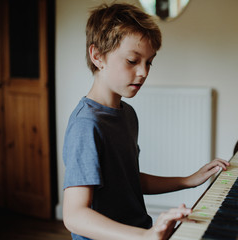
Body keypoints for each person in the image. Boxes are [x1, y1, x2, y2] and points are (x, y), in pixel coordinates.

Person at [62, 3, 229, 240]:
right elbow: (74, 216)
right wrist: (144, 237)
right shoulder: (86, 125)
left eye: (149, 62)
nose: (143, 72)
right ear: (97, 56)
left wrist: (188, 180)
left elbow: (128, 181)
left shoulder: (127, 114)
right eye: (132, 61)